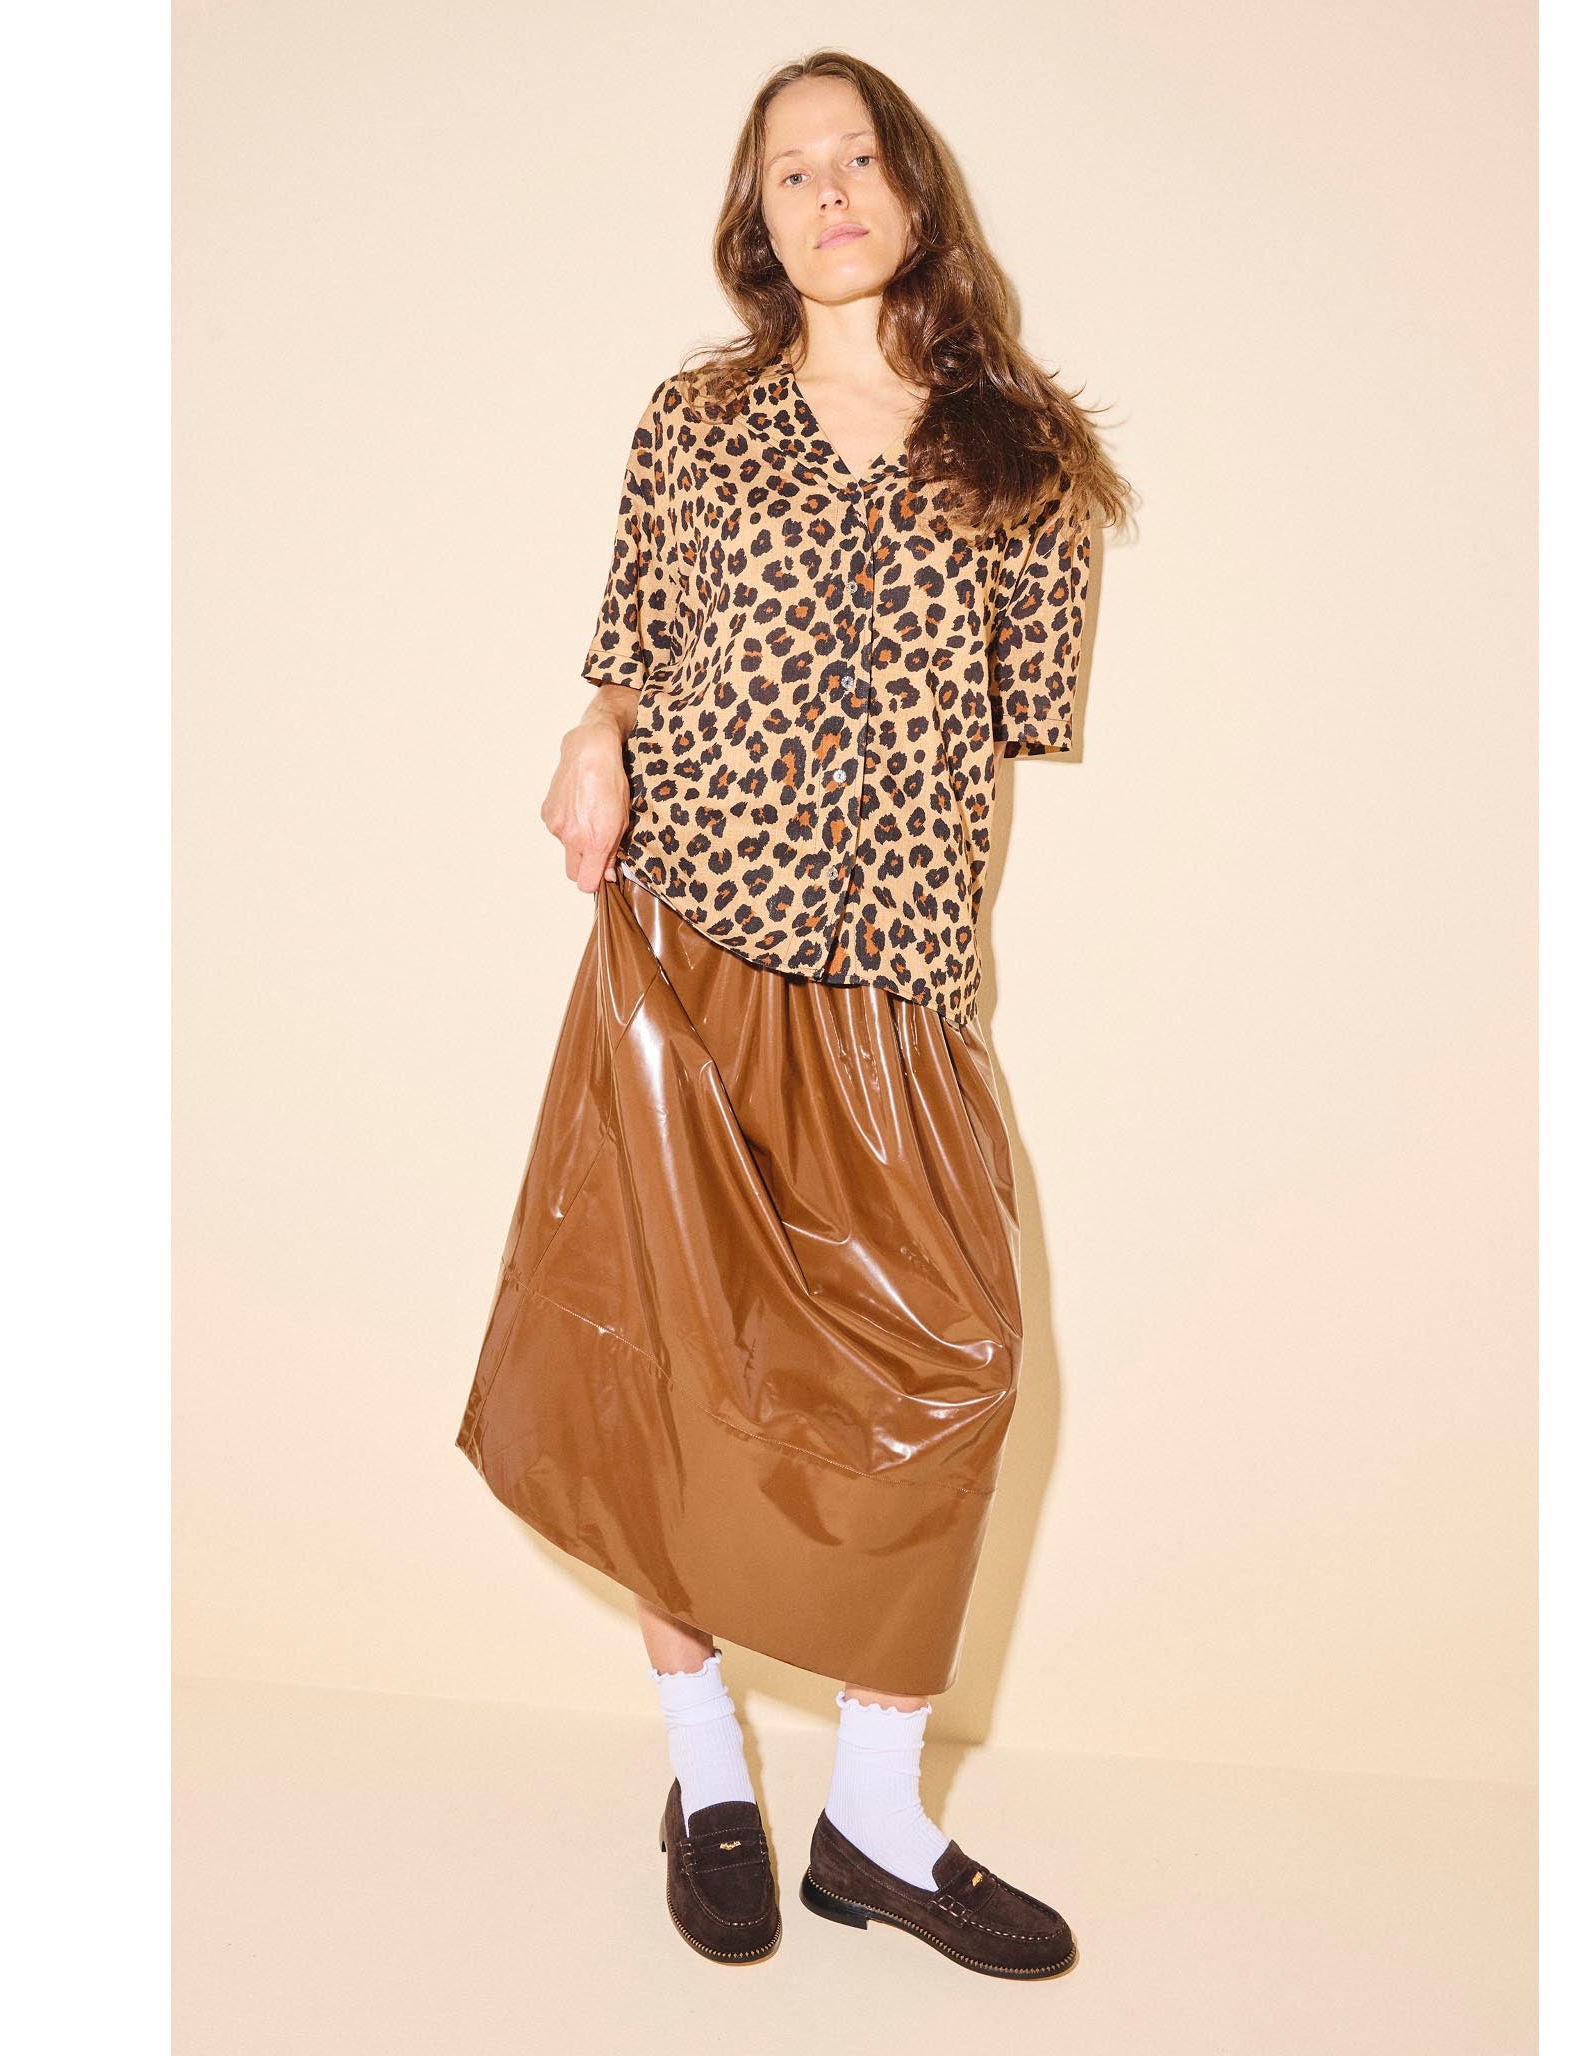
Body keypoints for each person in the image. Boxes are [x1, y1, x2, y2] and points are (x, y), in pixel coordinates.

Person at [456, 49, 1132, 1978]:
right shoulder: (697, 419)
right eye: (789, 171)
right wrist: (594, 736)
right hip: (691, 946)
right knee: (663, 1356)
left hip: (896, 979)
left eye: (856, 158)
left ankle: (875, 1822)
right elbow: (631, 651)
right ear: (757, 220)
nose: (827, 192)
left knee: (952, 1367)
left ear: (914, 188)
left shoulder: (1028, 461)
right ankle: (710, 1776)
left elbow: (1007, 737)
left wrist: (922, 939)